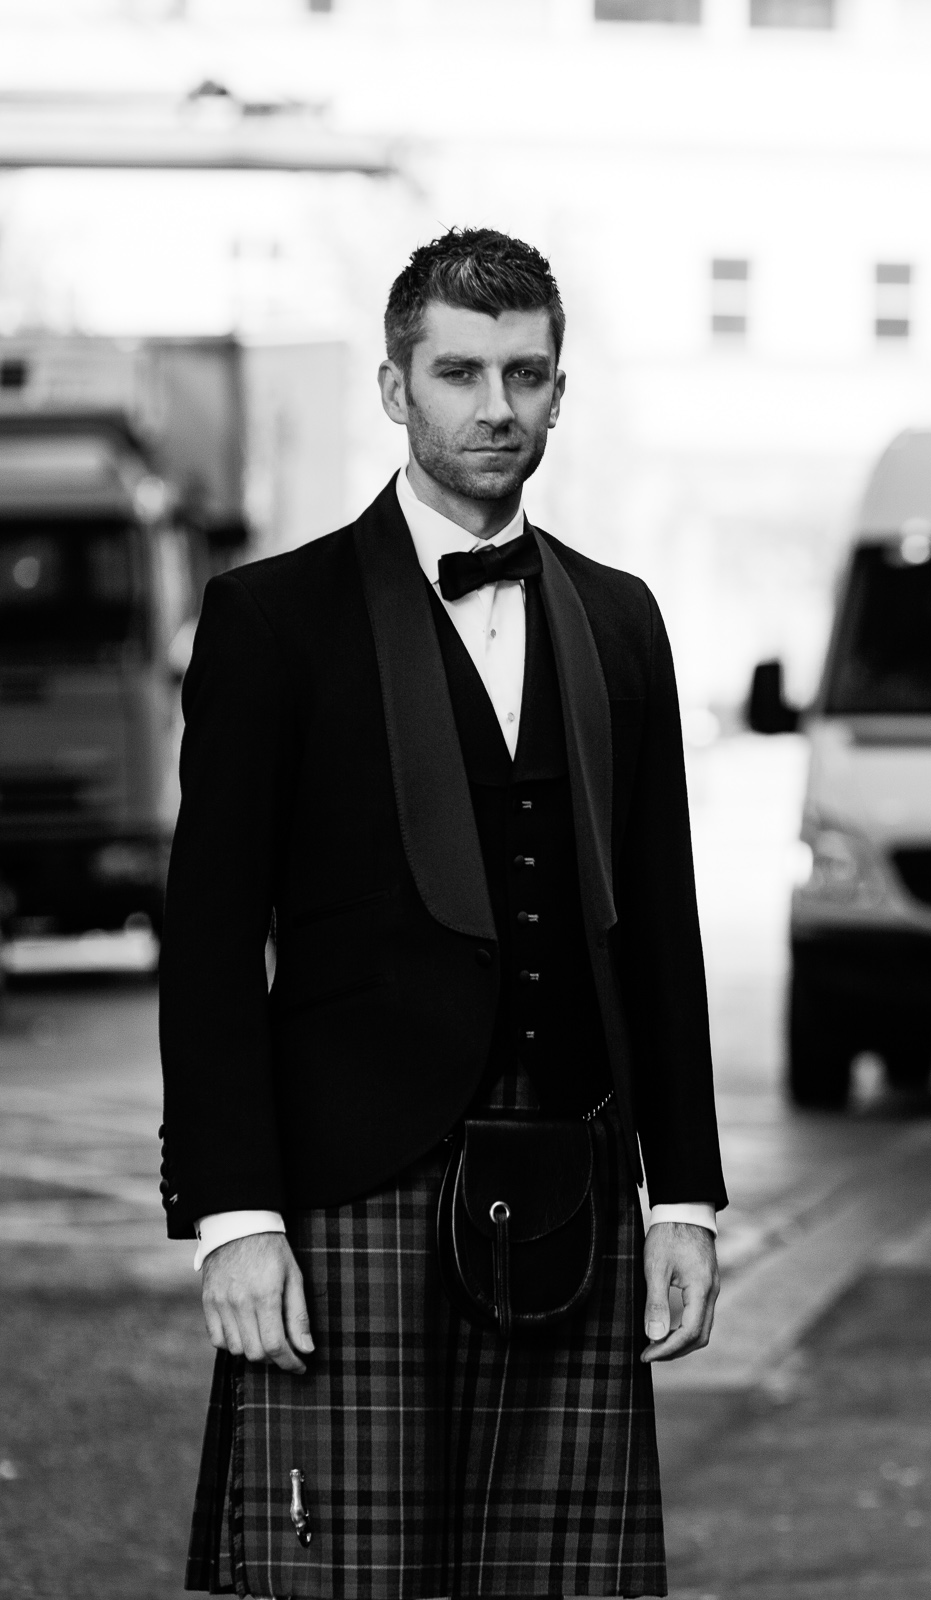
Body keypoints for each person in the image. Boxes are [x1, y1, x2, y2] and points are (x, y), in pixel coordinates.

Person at [159, 228, 727, 1599]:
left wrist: (686, 1195)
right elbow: (212, 937)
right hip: (353, 1184)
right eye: (459, 372)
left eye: (526, 374)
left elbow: (656, 923)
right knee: (341, 1582)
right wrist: (235, 1212)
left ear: (558, 390)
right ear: (394, 385)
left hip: (576, 1184)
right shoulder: (271, 621)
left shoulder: (621, 619)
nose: (496, 407)